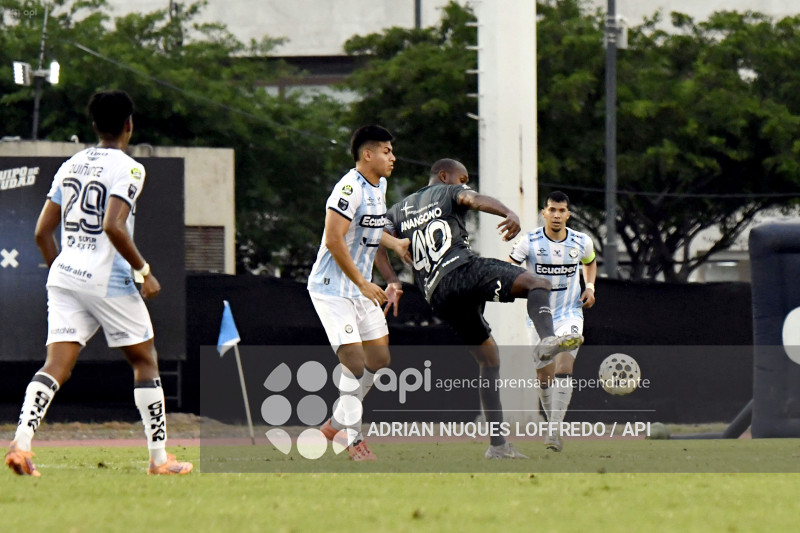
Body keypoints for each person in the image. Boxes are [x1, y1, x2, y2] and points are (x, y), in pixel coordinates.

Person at [4, 90, 192, 477]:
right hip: (109, 279)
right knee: (145, 360)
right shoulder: (129, 168)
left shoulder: (71, 164)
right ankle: (159, 460)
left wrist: (68, 273)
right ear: (129, 125)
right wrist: (143, 270)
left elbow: (42, 232)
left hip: (64, 275)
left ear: (93, 126)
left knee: (56, 366)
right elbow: (112, 224)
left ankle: (21, 445)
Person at [384, 158, 583, 459]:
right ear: (444, 175)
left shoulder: (397, 210)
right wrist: (508, 211)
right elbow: (472, 199)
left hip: (437, 295)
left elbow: (372, 237)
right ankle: (547, 340)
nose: (464, 184)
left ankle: (498, 446)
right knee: (538, 284)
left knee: (489, 361)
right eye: (461, 178)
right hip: (463, 271)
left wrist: (392, 280)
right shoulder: (446, 192)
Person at [307, 125, 410, 461]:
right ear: (368, 155)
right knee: (354, 363)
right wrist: (364, 284)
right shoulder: (348, 188)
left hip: (359, 289)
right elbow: (334, 239)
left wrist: (395, 245)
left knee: (379, 360)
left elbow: (373, 226)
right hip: (332, 290)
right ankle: (354, 441)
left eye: (392, 151)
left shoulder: (379, 186)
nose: (392, 157)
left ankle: (335, 424)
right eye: (386, 151)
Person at [508, 190, 597, 452]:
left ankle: (554, 431)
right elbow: (510, 266)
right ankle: (552, 423)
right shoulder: (529, 241)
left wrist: (590, 287)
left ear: (568, 214)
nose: (557, 215)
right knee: (544, 377)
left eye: (562, 211)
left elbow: (589, 263)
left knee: (564, 368)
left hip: (570, 312)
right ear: (544, 213)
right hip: (539, 316)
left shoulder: (582, 241)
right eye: (552, 210)